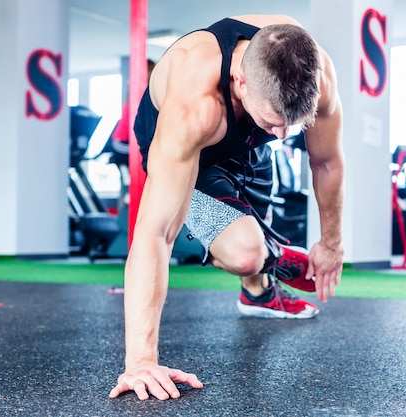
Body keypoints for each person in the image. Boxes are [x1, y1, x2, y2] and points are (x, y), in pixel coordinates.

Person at [109, 14, 344, 401]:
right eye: (275, 123)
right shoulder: (194, 107)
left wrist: (331, 242)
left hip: (246, 139)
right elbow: (155, 234)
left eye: (292, 125)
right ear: (240, 81)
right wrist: (141, 360)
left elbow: (327, 161)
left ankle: (258, 291)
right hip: (187, 149)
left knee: (253, 238)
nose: (283, 137)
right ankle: (268, 256)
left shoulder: (316, 76)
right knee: (246, 253)